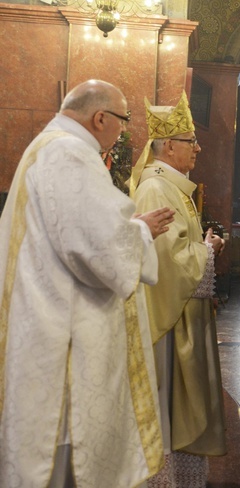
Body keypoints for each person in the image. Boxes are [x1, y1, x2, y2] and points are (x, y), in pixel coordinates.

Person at [0, 79, 175, 487]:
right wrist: (141, 232)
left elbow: (77, 234)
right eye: (124, 120)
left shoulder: (46, 148)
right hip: (62, 338)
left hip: (45, 324)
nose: (124, 131)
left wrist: (127, 229)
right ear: (101, 118)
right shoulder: (70, 153)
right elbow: (100, 252)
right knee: (64, 459)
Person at [132, 92, 227, 486]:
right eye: (191, 141)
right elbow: (166, 262)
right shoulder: (156, 188)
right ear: (169, 146)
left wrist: (202, 248)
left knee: (179, 405)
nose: (198, 148)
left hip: (183, 316)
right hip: (167, 322)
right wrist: (208, 250)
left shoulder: (173, 187)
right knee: (166, 403)